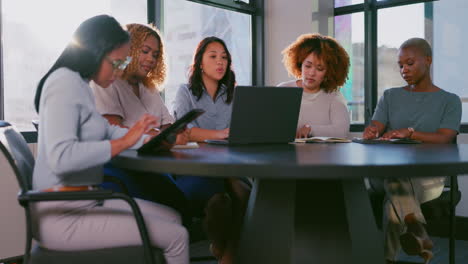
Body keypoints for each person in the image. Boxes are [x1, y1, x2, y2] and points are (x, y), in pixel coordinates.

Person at [32, 15, 189, 264]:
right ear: (96, 52)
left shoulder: (80, 85)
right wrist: (124, 143)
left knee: (174, 217)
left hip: (83, 202)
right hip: (63, 215)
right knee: (177, 236)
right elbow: (61, 158)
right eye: (117, 62)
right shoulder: (63, 84)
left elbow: (106, 130)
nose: (120, 70)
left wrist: (141, 136)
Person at [363, 38, 462, 263]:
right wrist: (372, 131)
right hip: (385, 173)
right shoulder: (390, 96)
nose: (403, 70)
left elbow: (445, 138)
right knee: (396, 175)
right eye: (400, 65)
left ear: (427, 61)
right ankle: (417, 231)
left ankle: (387, 258)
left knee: (393, 201)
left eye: (409, 63)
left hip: (428, 177)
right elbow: (376, 126)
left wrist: (410, 133)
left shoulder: (449, 100)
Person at [90, 23, 190, 223]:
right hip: (121, 168)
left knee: (201, 195)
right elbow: (114, 130)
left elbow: (167, 126)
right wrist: (154, 135)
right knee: (180, 206)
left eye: (155, 55)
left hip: (151, 166)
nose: (151, 59)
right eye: (145, 51)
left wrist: (166, 134)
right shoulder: (108, 81)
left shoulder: (149, 88)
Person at [173, 36, 250, 264]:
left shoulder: (233, 94)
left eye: (224, 57)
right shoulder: (185, 92)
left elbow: (242, 128)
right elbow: (184, 131)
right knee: (223, 200)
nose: (220, 62)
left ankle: (229, 254)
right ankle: (223, 249)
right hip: (197, 165)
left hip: (230, 162)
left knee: (246, 194)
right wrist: (220, 134)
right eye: (213, 56)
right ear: (199, 63)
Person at [278, 33, 350, 139]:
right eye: (307, 66)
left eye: (320, 69)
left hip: (323, 154)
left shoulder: (334, 96)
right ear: (300, 64)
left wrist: (311, 129)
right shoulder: (283, 90)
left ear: (328, 72)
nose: (312, 73)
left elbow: (341, 131)